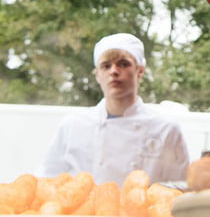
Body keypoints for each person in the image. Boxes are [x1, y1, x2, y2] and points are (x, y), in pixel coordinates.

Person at [40, 33, 191, 184]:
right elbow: (48, 180)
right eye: (106, 66)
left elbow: (180, 187)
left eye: (123, 64)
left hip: (140, 208)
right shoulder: (73, 126)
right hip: (85, 208)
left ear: (139, 71)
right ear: (97, 75)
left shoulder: (165, 129)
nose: (114, 71)